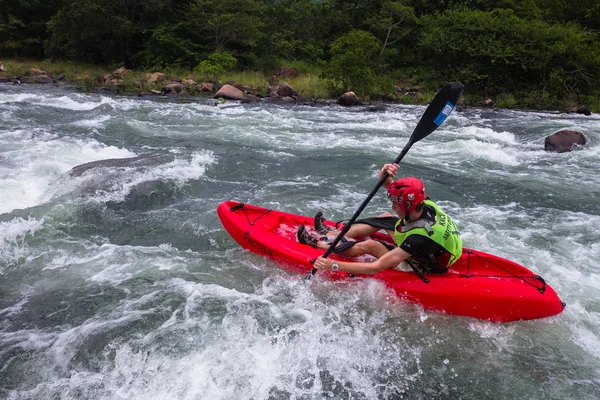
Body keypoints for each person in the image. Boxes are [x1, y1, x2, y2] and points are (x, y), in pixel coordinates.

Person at [297, 163, 463, 275]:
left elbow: (376, 267)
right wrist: (384, 175)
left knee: (371, 245)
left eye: (396, 205)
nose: (393, 207)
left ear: (407, 206)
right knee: (384, 217)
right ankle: (333, 234)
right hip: (435, 249)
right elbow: (395, 190)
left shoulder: (418, 239)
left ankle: (318, 244)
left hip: (427, 265)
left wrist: (332, 265)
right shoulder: (424, 203)